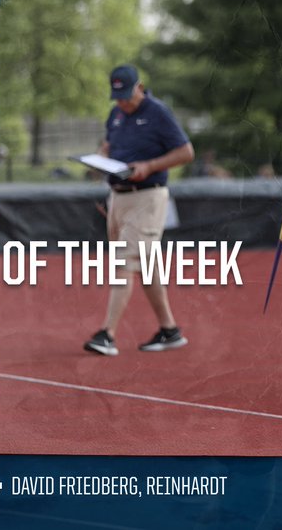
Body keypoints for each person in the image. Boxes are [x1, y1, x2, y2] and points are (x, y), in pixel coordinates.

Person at [83, 65, 195, 357]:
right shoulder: (117, 114)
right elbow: (108, 145)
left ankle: (107, 334)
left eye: (126, 95)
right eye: (116, 96)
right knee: (145, 266)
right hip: (117, 197)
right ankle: (169, 330)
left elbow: (186, 152)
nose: (121, 101)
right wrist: (101, 160)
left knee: (125, 262)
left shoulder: (158, 112)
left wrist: (149, 166)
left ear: (139, 86)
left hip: (147, 196)